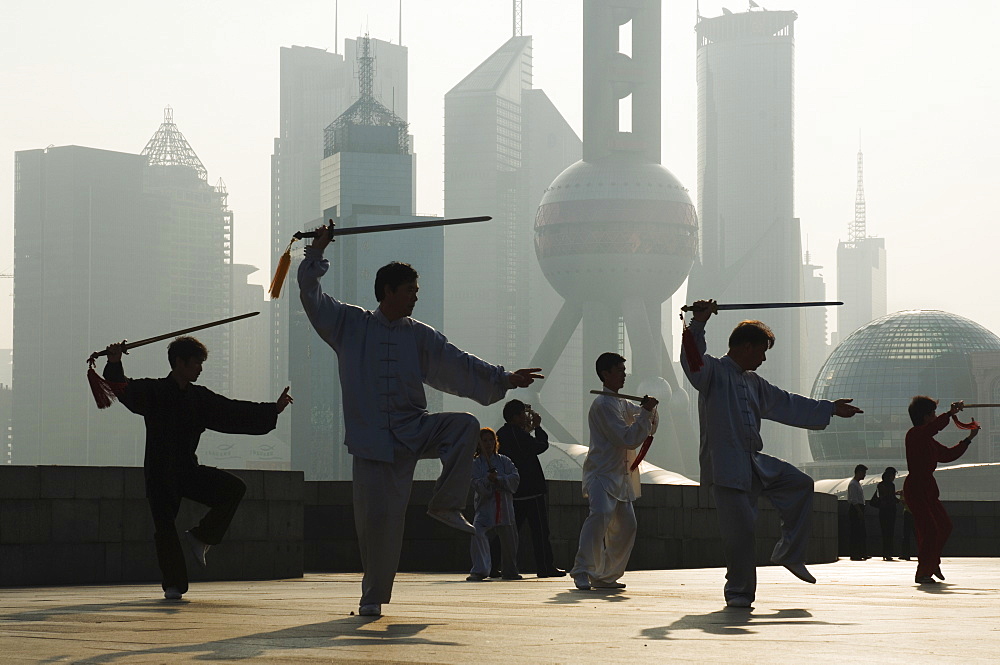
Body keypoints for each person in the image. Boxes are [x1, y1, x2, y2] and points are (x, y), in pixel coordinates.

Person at [297, 223, 543, 617]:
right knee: (378, 524)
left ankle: (445, 504)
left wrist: (504, 378)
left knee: (464, 424)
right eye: (410, 290)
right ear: (388, 291)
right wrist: (316, 252)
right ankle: (372, 599)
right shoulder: (349, 325)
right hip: (373, 444)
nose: (415, 297)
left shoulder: (420, 335)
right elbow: (311, 295)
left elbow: (459, 363)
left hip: (414, 429)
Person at [680, 300, 863, 608]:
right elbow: (692, 361)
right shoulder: (712, 372)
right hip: (726, 468)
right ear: (747, 347)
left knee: (801, 484)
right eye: (762, 350)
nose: (764, 358)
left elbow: (787, 402)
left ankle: (789, 552)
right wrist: (697, 322)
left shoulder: (754, 383)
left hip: (754, 462)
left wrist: (829, 408)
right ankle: (739, 593)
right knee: (740, 533)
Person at [102, 336, 293, 600]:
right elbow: (122, 389)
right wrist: (114, 361)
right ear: (179, 363)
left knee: (234, 488)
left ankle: (202, 536)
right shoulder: (154, 392)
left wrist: (273, 410)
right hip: (159, 474)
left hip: (187, 471)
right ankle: (174, 585)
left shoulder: (198, 398)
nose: (200, 369)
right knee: (165, 527)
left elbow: (231, 411)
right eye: (196, 364)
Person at [571, 352, 658, 591]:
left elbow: (643, 418)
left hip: (620, 476)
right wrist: (647, 413)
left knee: (628, 525)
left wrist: (648, 410)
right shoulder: (602, 405)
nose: (623, 375)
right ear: (605, 374)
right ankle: (582, 570)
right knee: (598, 517)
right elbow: (627, 438)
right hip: (601, 474)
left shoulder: (620, 403)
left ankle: (605, 575)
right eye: (619, 370)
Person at [904, 397, 979, 584]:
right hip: (916, 488)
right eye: (933, 413)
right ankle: (923, 572)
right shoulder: (914, 434)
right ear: (926, 416)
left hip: (927, 488)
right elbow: (934, 428)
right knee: (929, 530)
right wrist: (950, 414)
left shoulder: (927, 440)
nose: (935, 416)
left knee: (944, 526)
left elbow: (947, 455)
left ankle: (931, 562)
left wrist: (968, 439)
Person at [494, 399, 565, 578]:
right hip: (531, 491)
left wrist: (528, 430)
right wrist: (539, 428)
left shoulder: (502, 433)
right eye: (523, 414)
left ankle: (492, 564)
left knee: (507, 532)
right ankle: (545, 567)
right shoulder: (517, 434)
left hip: (512, 491)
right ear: (515, 416)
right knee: (540, 531)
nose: (526, 417)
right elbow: (539, 446)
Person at [467, 428, 521, 582]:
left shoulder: (504, 461)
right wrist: (488, 480)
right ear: (479, 444)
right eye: (484, 441)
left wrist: (500, 479)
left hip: (504, 506)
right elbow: (474, 483)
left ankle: (510, 571)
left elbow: (515, 477)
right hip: (485, 507)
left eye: (491, 440)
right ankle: (480, 570)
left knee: (510, 542)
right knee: (477, 533)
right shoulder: (476, 464)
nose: (488, 443)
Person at [872, 467, 900, 561]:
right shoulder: (891, 485)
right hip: (890, 511)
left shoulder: (881, 485)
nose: (894, 477)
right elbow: (890, 498)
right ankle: (888, 552)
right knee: (890, 532)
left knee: (884, 532)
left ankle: (885, 552)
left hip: (883, 511)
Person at [847, 464, 869, 561]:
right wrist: (859, 511)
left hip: (859, 508)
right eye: (863, 473)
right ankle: (855, 554)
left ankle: (861, 553)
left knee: (860, 532)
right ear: (859, 472)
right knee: (856, 532)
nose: (864, 475)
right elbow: (854, 500)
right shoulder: (853, 484)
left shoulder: (857, 484)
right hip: (856, 509)